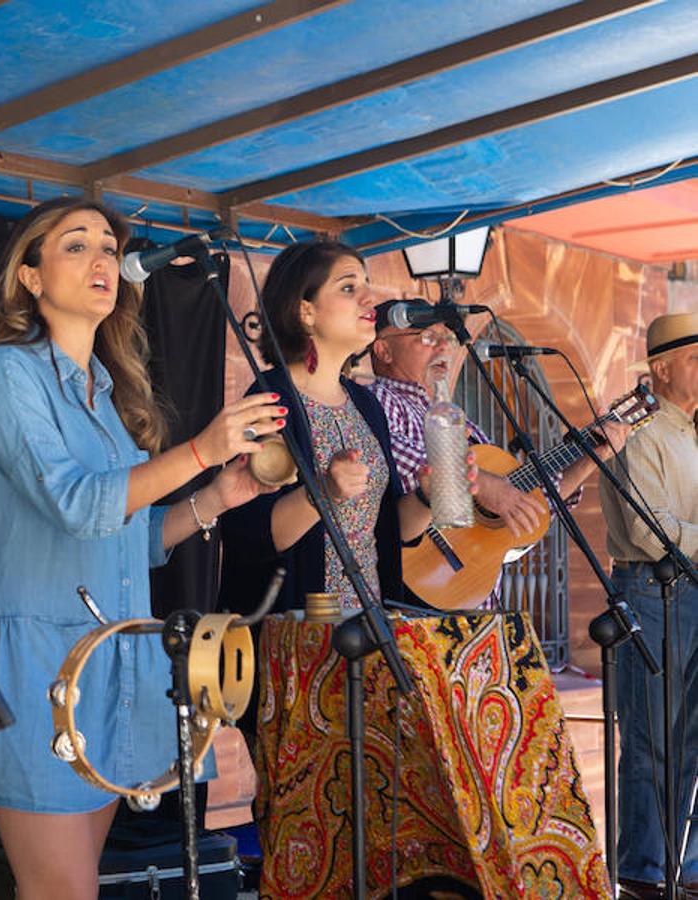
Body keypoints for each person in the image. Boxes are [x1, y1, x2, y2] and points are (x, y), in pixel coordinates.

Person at [0, 197, 287, 897]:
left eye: (109, 246)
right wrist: (201, 448)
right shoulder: (7, 375)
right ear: (31, 276)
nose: (103, 259)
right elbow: (79, 504)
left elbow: (130, 539)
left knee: (80, 888)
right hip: (37, 667)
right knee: (62, 892)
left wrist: (214, 498)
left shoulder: (105, 392)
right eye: (77, 245)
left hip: (111, 661)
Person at [218, 242, 469, 616]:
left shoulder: (365, 404)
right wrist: (323, 492)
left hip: (369, 630)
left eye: (366, 284)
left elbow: (389, 530)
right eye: (349, 288)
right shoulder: (269, 399)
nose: (370, 297)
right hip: (299, 635)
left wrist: (426, 498)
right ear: (306, 312)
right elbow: (249, 535)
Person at [367, 297, 628, 600]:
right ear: (383, 349)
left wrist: (589, 459)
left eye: (445, 339)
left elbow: (524, 505)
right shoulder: (378, 399)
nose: (442, 348)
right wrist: (483, 485)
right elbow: (393, 456)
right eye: (427, 338)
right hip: (415, 593)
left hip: (472, 598)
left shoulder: (452, 415)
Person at [599, 311, 698, 900]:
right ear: (660, 369)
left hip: (690, 589)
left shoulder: (690, 430)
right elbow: (646, 530)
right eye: (694, 358)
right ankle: (644, 871)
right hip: (652, 591)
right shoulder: (636, 427)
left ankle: (685, 867)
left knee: (691, 737)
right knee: (650, 737)